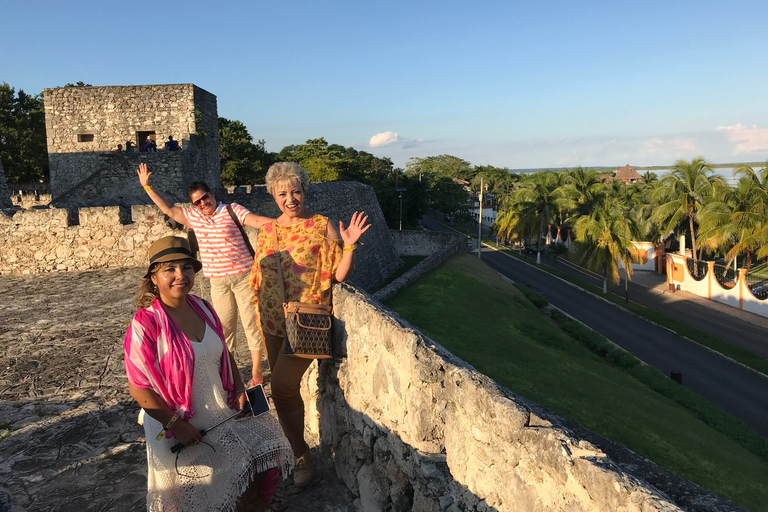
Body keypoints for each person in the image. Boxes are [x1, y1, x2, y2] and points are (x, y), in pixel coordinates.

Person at [124, 236, 292, 511]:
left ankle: (250, 504)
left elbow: (224, 355)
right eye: (170, 269)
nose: (180, 276)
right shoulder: (147, 323)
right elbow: (139, 389)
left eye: (186, 268)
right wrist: (176, 426)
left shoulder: (202, 307)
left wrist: (238, 390)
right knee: (201, 486)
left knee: (270, 440)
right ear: (154, 277)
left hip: (219, 408)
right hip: (177, 419)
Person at [245, 162, 370, 487]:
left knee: (281, 387)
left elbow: (340, 275)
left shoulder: (320, 225)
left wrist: (350, 245)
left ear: (304, 191)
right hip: (271, 321)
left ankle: (301, 455)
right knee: (285, 393)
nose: (290, 198)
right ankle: (293, 447)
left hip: (308, 320)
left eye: (295, 191)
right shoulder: (268, 231)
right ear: (273, 194)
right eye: (283, 193)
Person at [137, 163, 268, 387]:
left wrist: (287, 224)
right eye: (197, 202)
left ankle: (256, 372)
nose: (203, 203)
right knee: (223, 328)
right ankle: (228, 370)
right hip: (218, 281)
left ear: (212, 194)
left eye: (205, 198)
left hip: (244, 277)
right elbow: (168, 209)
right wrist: (147, 188)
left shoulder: (232, 210)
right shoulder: (193, 217)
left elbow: (256, 221)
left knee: (251, 324)